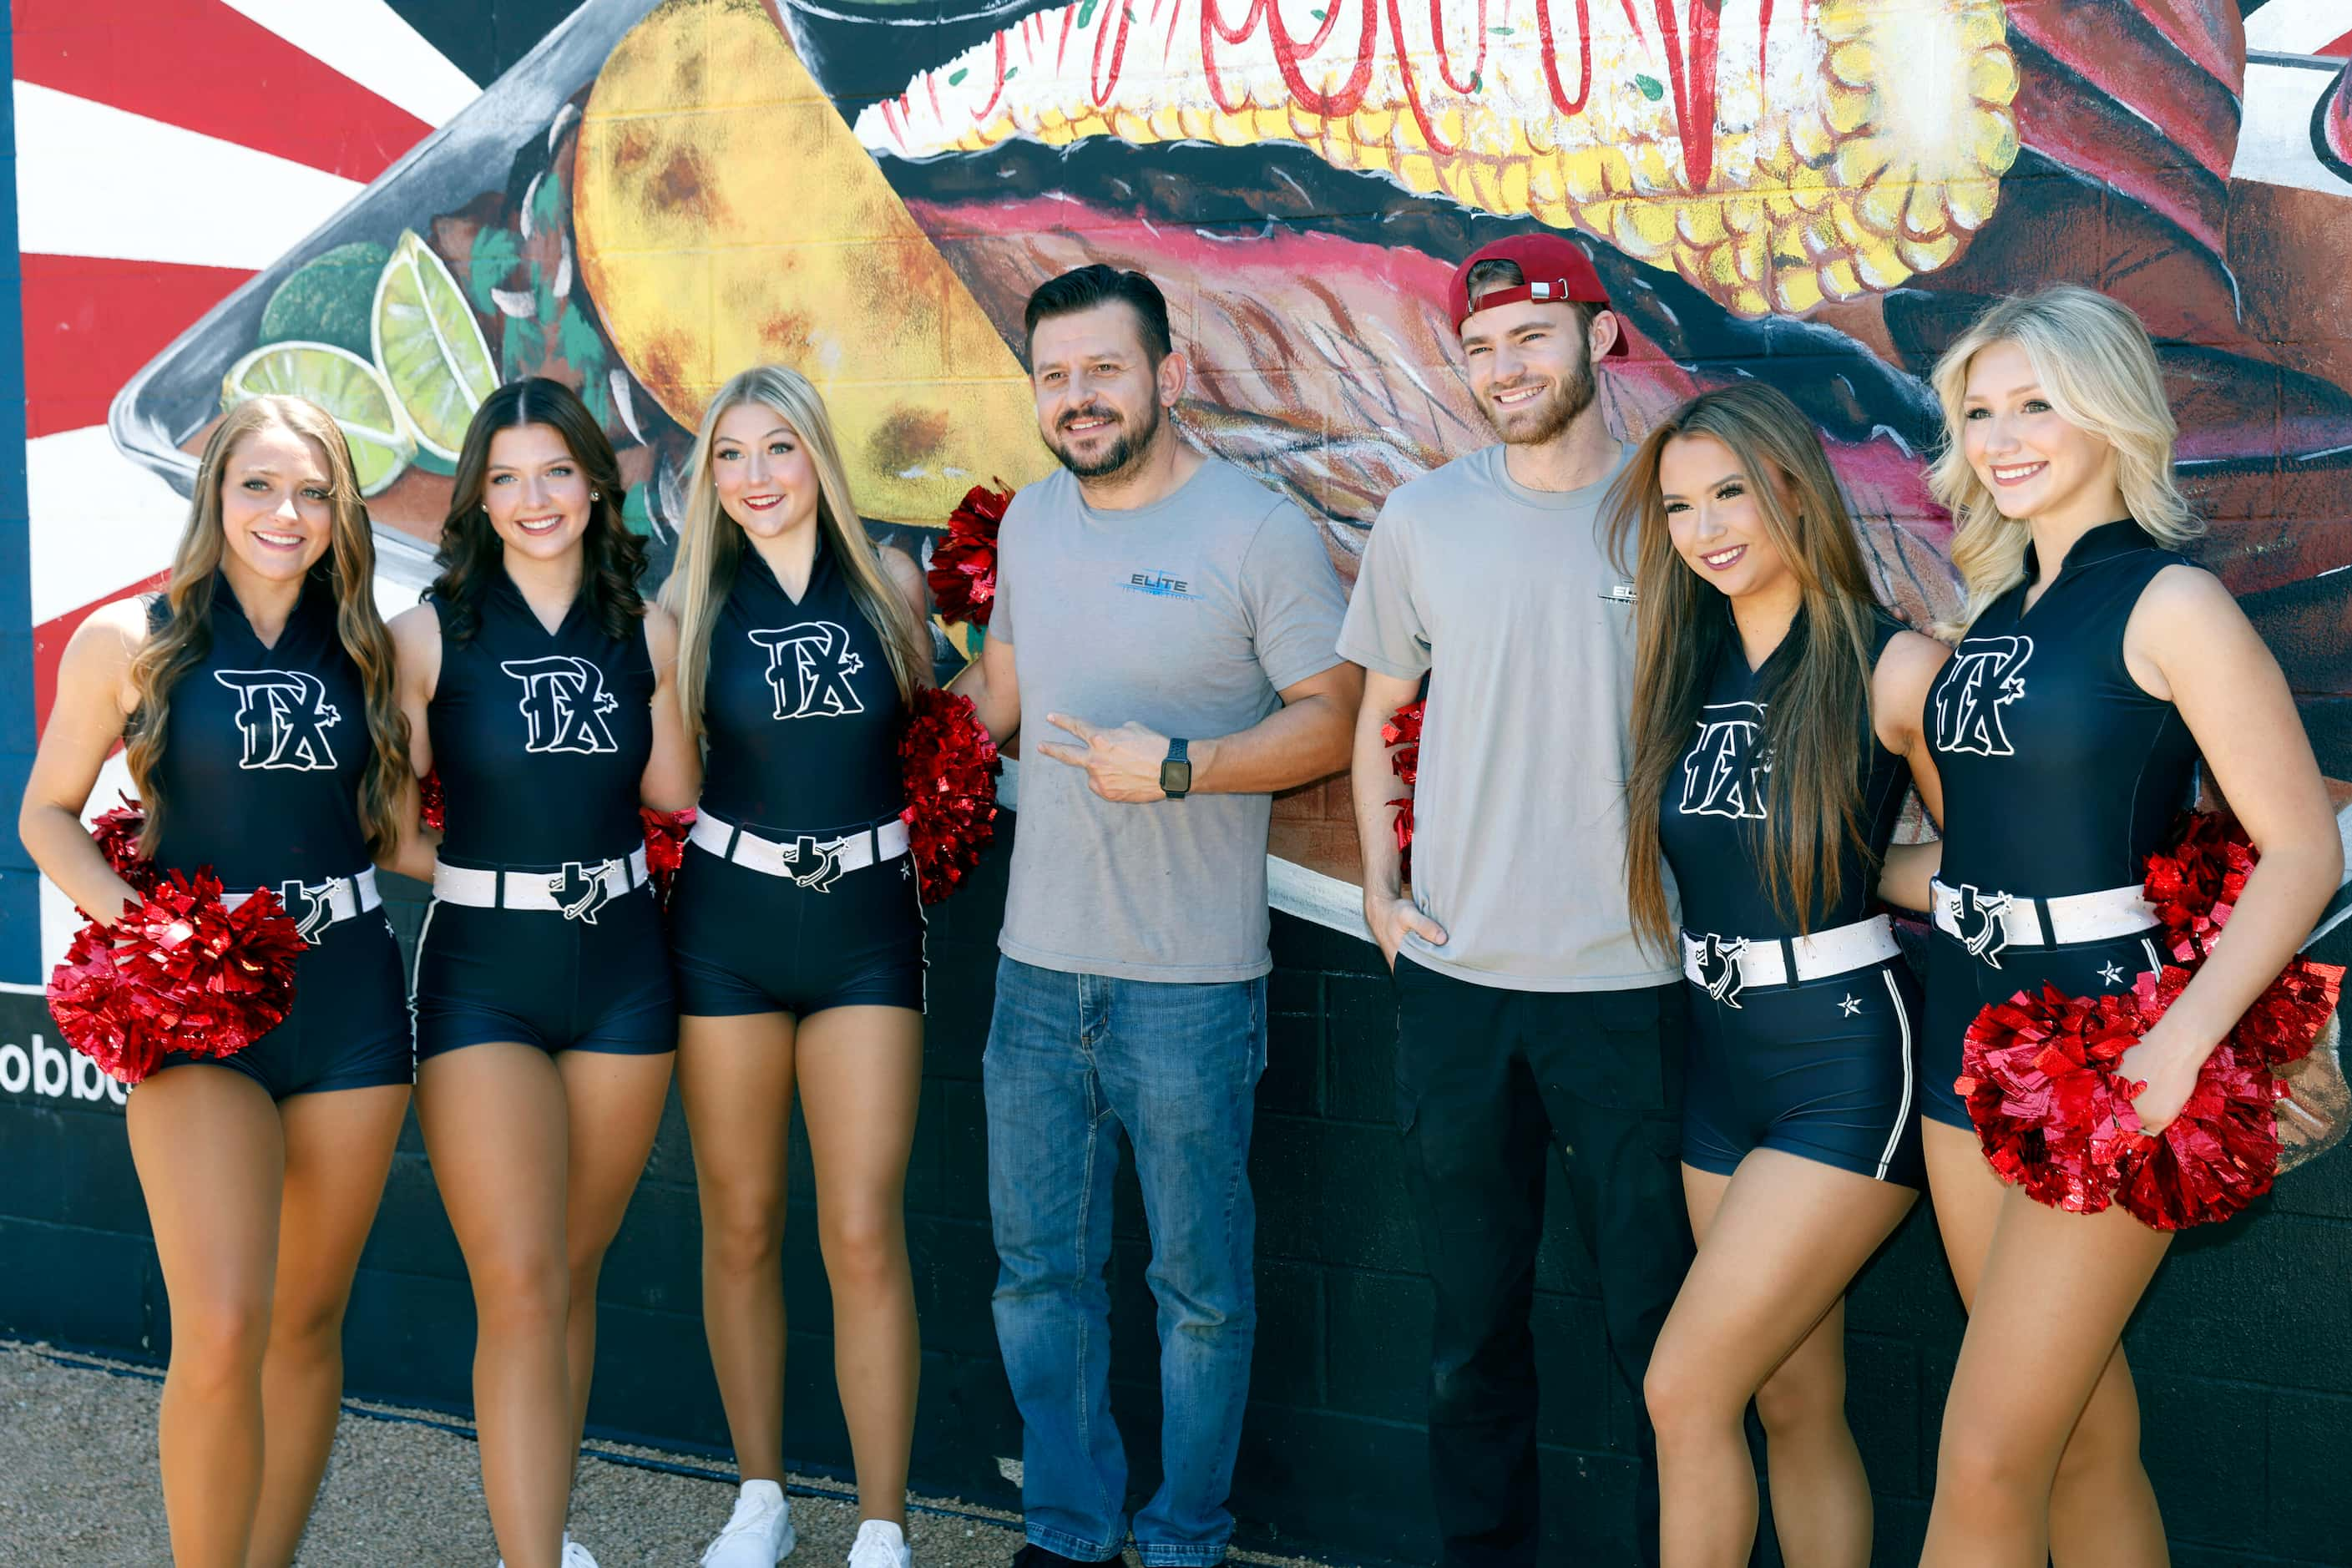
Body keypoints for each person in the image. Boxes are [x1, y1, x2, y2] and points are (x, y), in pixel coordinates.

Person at [1908, 285, 2339, 1565]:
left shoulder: (2170, 604)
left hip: (2114, 1061)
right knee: (2080, 1435)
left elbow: (2302, 845)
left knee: (1983, 1461)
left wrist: (2185, 1040)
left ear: (2112, 411)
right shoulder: (1992, 616)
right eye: (1980, 410)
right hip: (1959, 1043)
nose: (2002, 436)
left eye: (2037, 402)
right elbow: (1987, 852)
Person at [949, 263, 1359, 1568]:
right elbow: (993, 701)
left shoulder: (1258, 530)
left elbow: (1329, 719)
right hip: (1033, 979)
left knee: (1196, 1295)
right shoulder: (1025, 524)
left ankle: (1185, 1538)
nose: (1079, 398)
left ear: (1167, 376)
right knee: (1039, 1282)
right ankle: (1070, 1530)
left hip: (1190, 985)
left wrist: (1180, 762)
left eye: (1104, 369)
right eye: (1056, 375)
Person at [1339, 233, 1691, 1568]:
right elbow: (1380, 715)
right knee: (1469, 1336)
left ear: (1600, 340)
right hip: (1459, 986)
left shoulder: (1679, 511)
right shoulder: (1426, 516)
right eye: (1480, 348)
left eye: (1530, 339)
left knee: (1662, 1338)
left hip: (1632, 990)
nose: (1504, 370)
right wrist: (1382, 885)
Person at [19, 396, 416, 1567]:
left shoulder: (372, 644)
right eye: (257, 485)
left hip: (349, 1000)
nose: (283, 513)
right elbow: (45, 814)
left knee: (304, 1324)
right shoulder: (128, 638)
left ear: (342, 510)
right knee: (225, 1321)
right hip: (205, 1015)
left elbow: (396, 834)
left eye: (312, 491)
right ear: (212, 494)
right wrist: (146, 929)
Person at [1608, 382, 1948, 1567]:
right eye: (1680, 506)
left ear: (1792, 485)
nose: (1705, 529)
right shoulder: (1688, 670)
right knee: (1789, 1399)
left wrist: (1865, 864)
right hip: (1722, 1062)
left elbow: (1978, 869)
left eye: (1730, 493)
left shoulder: (1892, 664)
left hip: (1846, 1059)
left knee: (1681, 1387)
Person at [390, 378, 697, 1568]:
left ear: (595, 482)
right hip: (482, 977)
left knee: (570, 1267)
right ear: (477, 493)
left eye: (557, 471)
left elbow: (672, 795)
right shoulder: (429, 634)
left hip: (624, 973)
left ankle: (543, 1524)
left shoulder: (650, 629)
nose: (534, 499)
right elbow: (383, 819)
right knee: (517, 1278)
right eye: (507, 476)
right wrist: (482, 872)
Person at [660, 366, 933, 1568]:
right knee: (743, 1219)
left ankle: (882, 1522)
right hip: (728, 929)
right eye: (732, 454)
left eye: (780, 448)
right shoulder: (684, 610)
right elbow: (667, 786)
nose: (758, 477)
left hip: (866, 928)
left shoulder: (891, 590)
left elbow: (942, 738)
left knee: (864, 1224)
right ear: (708, 477)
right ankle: (760, 1497)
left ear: (819, 456)